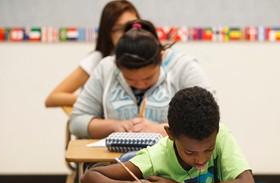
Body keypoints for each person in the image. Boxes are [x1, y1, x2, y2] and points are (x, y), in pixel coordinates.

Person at [80, 86, 256, 183]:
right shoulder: (158, 155)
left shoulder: (221, 136)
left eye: (208, 149)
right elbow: (90, 177)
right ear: (170, 134)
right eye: (190, 152)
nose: (201, 159)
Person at [69, 19, 215, 138]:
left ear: (161, 57)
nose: (140, 85)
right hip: (114, 163)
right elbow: (76, 121)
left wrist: (158, 129)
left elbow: (208, 119)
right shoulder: (106, 68)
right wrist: (115, 126)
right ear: (117, 65)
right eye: (130, 79)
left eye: (148, 78)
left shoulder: (184, 67)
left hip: (174, 167)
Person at [45, 0, 140, 107]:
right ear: (108, 34)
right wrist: (96, 99)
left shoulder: (149, 57)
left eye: (132, 27)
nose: (128, 34)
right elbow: (52, 98)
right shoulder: (99, 60)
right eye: (119, 29)